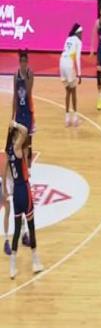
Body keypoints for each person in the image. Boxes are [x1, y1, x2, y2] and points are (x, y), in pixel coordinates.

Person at [3, 120, 44, 279]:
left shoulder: (9, 152)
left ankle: (12, 266)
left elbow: (5, 172)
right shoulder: (17, 148)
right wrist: (15, 124)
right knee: (31, 227)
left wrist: (5, 189)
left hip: (16, 192)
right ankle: (35, 261)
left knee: (17, 230)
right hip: (24, 190)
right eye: (17, 136)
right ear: (15, 138)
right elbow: (26, 130)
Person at [12, 50, 35, 169]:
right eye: (22, 61)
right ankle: (20, 165)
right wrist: (13, 115)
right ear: (19, 62)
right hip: (19, 112)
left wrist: (25, 76)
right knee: (18, 138)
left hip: (28, 110)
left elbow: (29, 91)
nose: (23, 64)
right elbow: (15, 96)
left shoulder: (30, 74)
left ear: (27, 62)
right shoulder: (15, 75)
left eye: (25, 61)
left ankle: (28, 165)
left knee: (28, 140)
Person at [59, 24, 83, 127]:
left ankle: (67, 118)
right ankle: (75, 118)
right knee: (73, 91)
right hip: (69, 64)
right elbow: (77, 58)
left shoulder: (68, 39)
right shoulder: (78, 41)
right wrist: (79, 74)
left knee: (68, 91)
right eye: (81, 33)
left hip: (61, 62)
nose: (82, 35)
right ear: (78, 33)